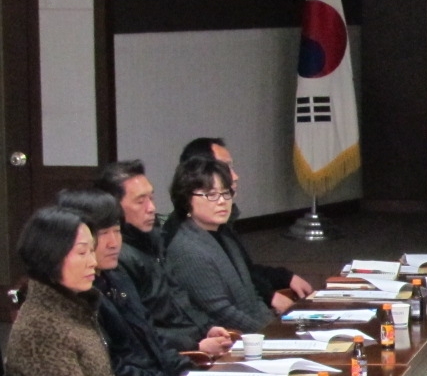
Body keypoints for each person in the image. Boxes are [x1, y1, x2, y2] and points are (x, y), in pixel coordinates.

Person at [3, 206, 146, 376]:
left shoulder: (76, 307)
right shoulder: (42, 326)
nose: (93, 262)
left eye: (91, 251)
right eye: (82, 253)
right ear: (50, 257)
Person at [56, 189, 196, 376]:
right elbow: (114, 369)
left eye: (117, 231)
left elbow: (151, 336)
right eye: (103, 234)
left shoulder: (117, 277)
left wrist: (187, 371)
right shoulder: (81, 295)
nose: (114, 243)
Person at [94, 159, 232, 357]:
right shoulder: (116, 257)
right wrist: (195, 346)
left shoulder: (153, 238)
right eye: (140, 201)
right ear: (114, 208)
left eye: (151, 198)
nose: (151, 207)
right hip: (174, 354)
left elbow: (178, 296)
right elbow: (140, 329)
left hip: (190, 343)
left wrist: (206, 328)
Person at [174, 137, 312, 311]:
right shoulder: (186, 241)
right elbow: (221, 307)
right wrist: (269, 300)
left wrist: (284, 277)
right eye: (225, 167)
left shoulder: (219, 226)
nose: (235, 176)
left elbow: (244, 273)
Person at [165, 158, 282, 333]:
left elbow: (252, 297)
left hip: (255, 334)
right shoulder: (187, 249)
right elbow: (221, 313)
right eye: (211, 195)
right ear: (186, 199)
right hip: (228, 340)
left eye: (226, 192)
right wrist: (270, 334)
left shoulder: (223, 234)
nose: (222, 201)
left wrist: (274, 327)